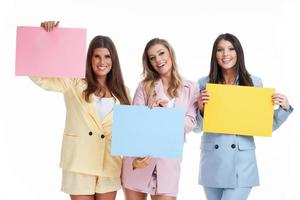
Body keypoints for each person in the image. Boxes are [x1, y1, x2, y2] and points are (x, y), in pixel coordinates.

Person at [30, 21, 131, 200]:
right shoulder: (74, 82)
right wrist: (46, 38)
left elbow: (132, 129)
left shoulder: (123, 91)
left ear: (113, 60)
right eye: (97, 56)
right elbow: (40, 77)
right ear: (89, 59)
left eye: (107, 56)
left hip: (109, 163)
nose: (102, 62)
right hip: (79, 162)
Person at [195, 33, 293, 200]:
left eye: (231, 49)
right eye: (220, 50)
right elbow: (197, 128)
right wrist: (201, 109)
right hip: (212, 163)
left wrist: (283, 108)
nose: (225, 54)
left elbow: (265, 125)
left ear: (238, 52)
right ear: (214, 55)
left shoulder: (254, 83)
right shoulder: (204, 83)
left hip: (241, 164)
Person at [122, 38, 199, 200]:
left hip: (168, 165)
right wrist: (150, 113)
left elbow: (190, 123)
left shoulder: (190, 88)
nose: (158, 60)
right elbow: (133, 126)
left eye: (161, 53)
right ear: (149, 63)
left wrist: (166, 113)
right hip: (140, 160)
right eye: (152, 57)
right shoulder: (144, 86)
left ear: (170, 54)